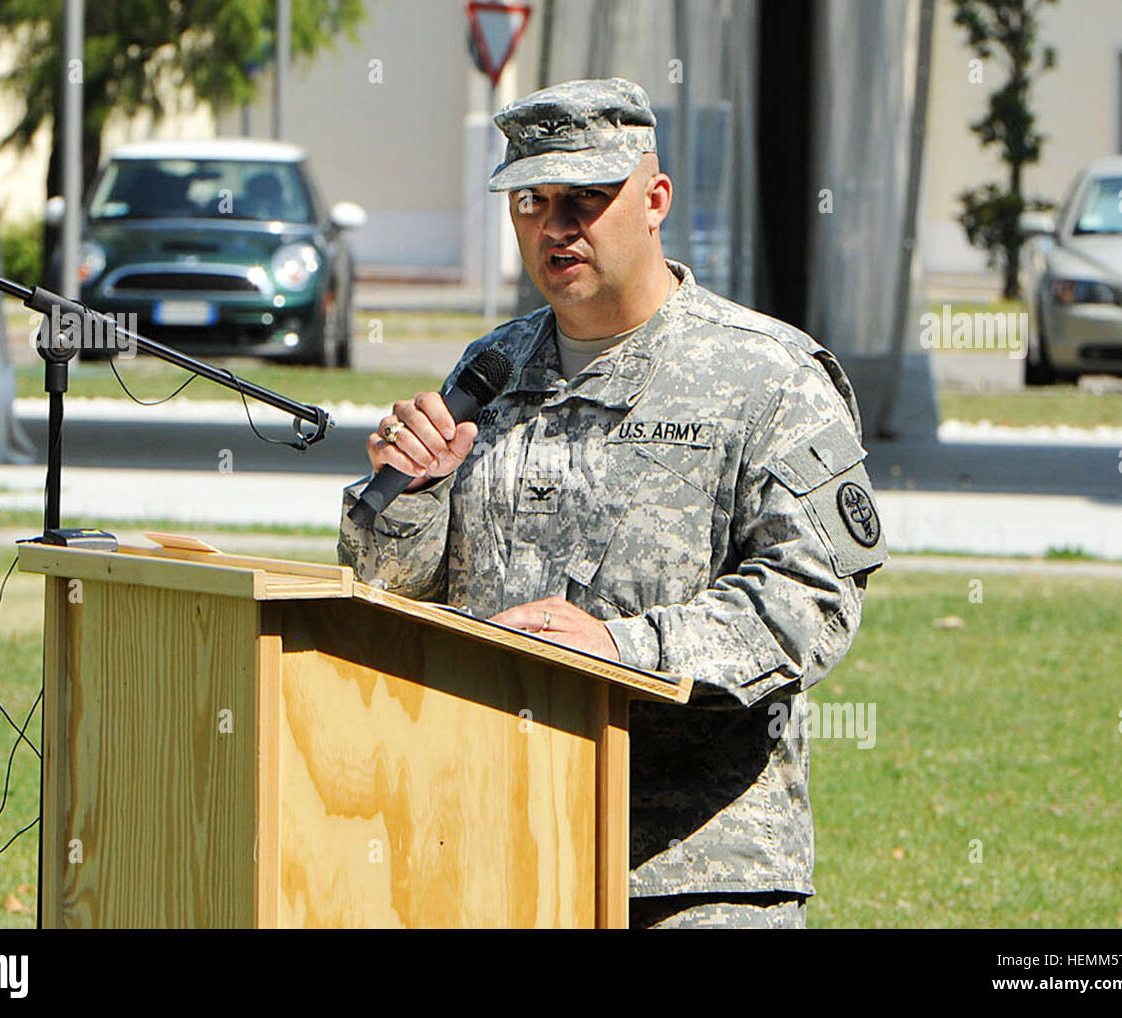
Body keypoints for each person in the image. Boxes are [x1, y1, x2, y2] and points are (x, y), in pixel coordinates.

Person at [338, 77, 887, 929]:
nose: (557, 225)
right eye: (532, 199)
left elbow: (810, 601)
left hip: (693, 873)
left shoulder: (769, 377)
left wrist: (620, 651)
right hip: (496, 847)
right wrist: (410, 496)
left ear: (656, 198)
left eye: (589, 196)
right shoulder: (490, 371)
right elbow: (390, 591)